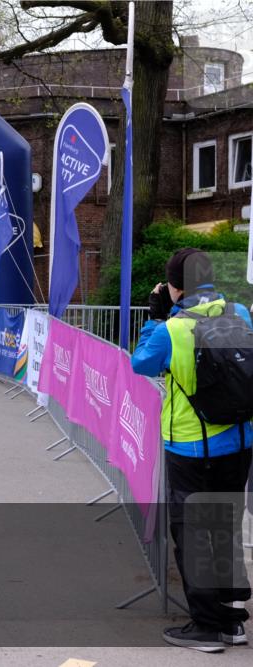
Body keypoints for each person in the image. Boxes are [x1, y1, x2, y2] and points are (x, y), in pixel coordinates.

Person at [131, 248, 252, 653]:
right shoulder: (241, 312)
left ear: (173, 285)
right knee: (224, 528)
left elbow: (141, 364)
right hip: (239, 440)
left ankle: (206, 627)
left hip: (190, 444)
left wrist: (155, 316)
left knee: (192, 533)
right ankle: (232, 621)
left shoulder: (172, 328)